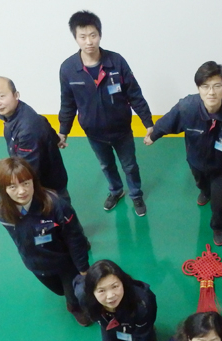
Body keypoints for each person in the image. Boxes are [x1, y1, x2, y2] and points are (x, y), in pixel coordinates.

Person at [144, 61, 222, 246]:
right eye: (205, 86)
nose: (211, 92)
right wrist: (153, 136)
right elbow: (167, 122)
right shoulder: (187, 107)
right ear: (198, 88)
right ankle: (204, 191)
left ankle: (218, 227)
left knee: (220, 203)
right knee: (201, 184)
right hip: (196, 161)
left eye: (217, 86)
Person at [58, 10, 153, 216]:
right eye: (83, 36)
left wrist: (148, 123)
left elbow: (135, 94)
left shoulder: (116, 62)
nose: (89, 41)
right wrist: (63, 131)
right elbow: (67, 104)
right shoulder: (68, 69)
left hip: (122, 130)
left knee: (130, 166)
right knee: (106, 165)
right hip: (94, 133)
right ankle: (116, 191)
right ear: (75, 38)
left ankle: (136, 195)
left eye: (93, 35)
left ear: (100, 34)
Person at [0, 157, 91, 326]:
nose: (21, 191)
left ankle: (74, 307)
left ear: (33, 181)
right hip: (34, 263)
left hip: (64, 262)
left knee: (73, 293)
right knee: (59, 291)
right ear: (3, 189)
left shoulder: (56, 205)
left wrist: (83, 268)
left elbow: (75, 238)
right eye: (12, 187)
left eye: (26, 183)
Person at [0, 76, 70, 201]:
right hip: (48, 181)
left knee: (59, 210)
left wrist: (14, 190)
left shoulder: (27, 128)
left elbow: (27, 169)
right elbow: (43, 120)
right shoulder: (16, 114)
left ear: (16, 95)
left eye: (1, 96)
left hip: (47, 187)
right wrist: (55, 139)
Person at [75, 260, 157, 341]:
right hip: (108, 325)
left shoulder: (142, 303)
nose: (110, 296)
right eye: (101, 291)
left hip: (135, 326)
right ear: (91, 291)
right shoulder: (84, 296)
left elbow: (140, 339)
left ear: (123, 283)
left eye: (115, 286)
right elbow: (76, 281)